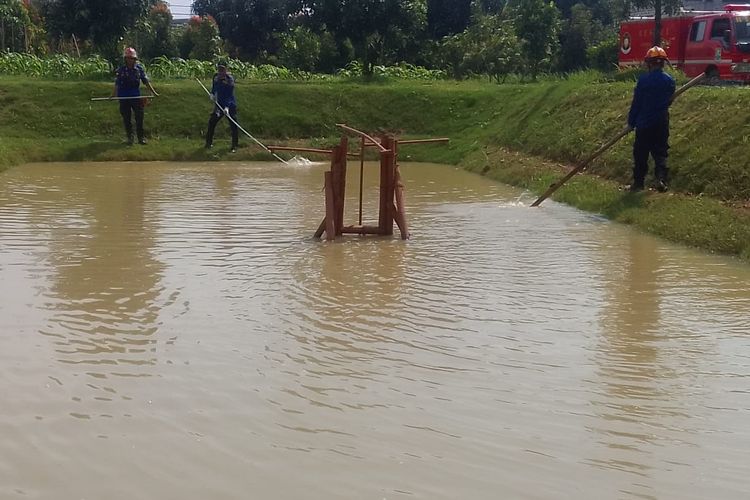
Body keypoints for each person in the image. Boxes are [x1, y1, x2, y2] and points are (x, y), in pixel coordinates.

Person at [627, 46, 676, 192]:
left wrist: (631, 122)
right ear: (663, 63)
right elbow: (669, 100)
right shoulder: (669, 81)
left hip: (644, 123)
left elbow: (637, 103)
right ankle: (661, 179)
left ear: (649, 63)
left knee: (640, 154)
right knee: (660, 152)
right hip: (661, 122)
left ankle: (638, 184)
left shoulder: (643, 81)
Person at [112, 47, 159, 145]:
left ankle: (141, 138)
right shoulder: (121, 70)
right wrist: (113, 95)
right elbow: (117, 84)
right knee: (127, 118)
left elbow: (145, 81)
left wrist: (153, 92)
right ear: (125, 59)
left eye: (132, 58)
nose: (131, 60)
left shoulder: (139, 69)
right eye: (129, 58)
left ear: (135, 59)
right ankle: (130, 138)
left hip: (135, 96)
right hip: (124, 97)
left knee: (139, 117)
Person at [205, 62, 239, 152]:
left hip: (230, 105)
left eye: (222, 71)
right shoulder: (215, 77)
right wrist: (212, 94)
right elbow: (214, 87)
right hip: (219, 105)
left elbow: (229, 95)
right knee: (212, 121)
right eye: (219, 71)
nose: (220, 74)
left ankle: (234, 146)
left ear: (226, 71)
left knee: (233, 125)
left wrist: (227, 107)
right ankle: (208, 143)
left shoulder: (230, 81)